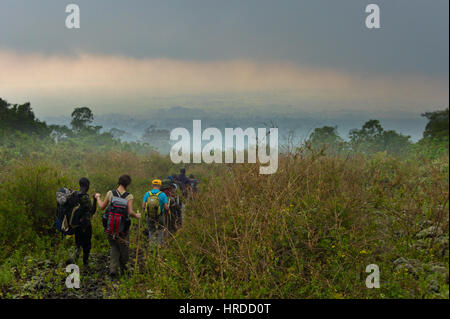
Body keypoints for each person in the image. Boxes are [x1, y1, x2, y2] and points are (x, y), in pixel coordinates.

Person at [95, 175, 141, 278]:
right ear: (128, 184)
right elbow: (130, 212)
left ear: (118, 182)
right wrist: (136, 215)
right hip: (123, 228)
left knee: (114, 246)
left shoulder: (110, 193)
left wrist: (98, 198)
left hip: (110, 226)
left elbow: (102, 207)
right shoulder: (129, 196)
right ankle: (125, 269)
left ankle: (113, 269)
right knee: (124, 247)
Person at [67, 177, 97, 267]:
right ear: (87, 186)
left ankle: (74, 259)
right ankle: (85, 262)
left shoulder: (75, 195)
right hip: (85, 224)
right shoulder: (85, 197)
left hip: (76, 224)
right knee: (87, 244)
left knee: (78, 243)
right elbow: (92, 211)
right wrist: (95, 200)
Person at [142, 179, 169, 248]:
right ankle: (160, 245)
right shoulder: (162, 194)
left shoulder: (147, 194)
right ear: (160, 186)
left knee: (151, 230)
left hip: (149, 216)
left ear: (152, 185)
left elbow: (143, 206)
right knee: (160, 229)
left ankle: (152, 247)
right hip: (160, 215)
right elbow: (166, 207)